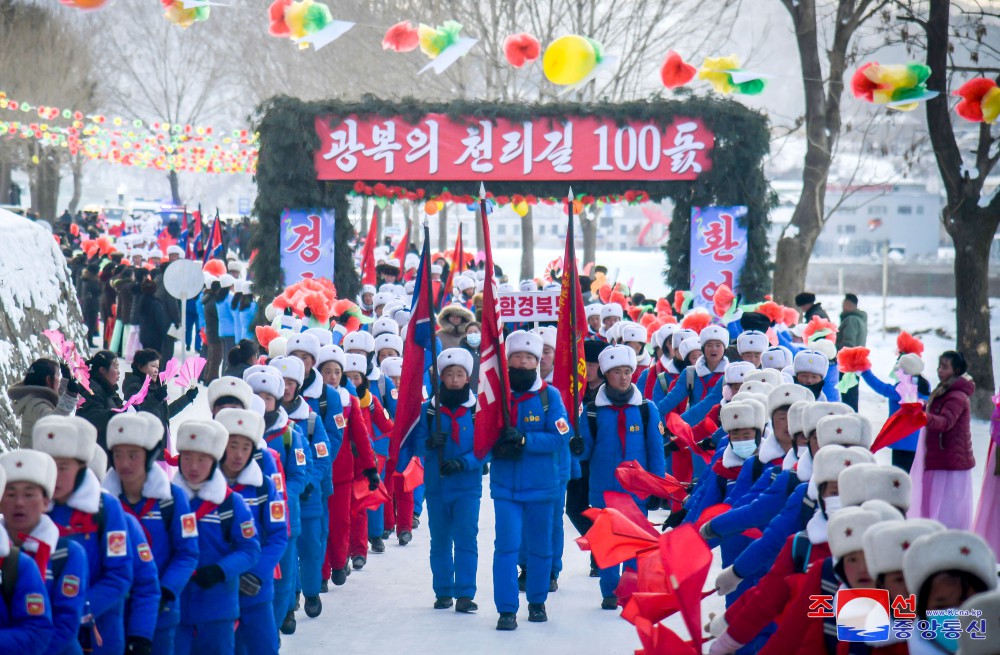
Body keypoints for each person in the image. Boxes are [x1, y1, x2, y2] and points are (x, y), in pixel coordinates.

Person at [490, 331, 569, 631]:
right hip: (506, 487)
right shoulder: (496, 395)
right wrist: (494, 446)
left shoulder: (550, 396)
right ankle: (506, 608)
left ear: (536, 362)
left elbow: (561, 435)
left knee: (539, 548)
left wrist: (526, 440)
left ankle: (537, 601)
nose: (522, 363)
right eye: (516, 358)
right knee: (507, 547)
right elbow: (481, 432)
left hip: (543, 486)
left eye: (528, 358)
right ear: (507, 360)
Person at [34, 415, 133, 655]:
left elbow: (119, 575)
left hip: (99, 633)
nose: (55, 475)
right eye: (49, 466)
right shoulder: (29, 508)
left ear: (81, 469)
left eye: (63, 467)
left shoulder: (105, 509)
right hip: (44, 632)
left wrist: (76, 609)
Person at [102, 412, 199, 655]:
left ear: (149, 456)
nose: (124, 463)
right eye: (118, 454)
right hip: (113, 613)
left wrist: (167, 589)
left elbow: (187, 553)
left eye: (133, 455)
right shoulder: (101, 503)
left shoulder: (172, 499)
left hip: (161, 611)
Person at [578, 344, 666, 609]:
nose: (624, 377)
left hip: (636, 490)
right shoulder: (593, 411)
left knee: (634, 543)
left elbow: (655, 450)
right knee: (608, 543)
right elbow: (585, 453)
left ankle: (630, 588)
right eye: (617, 372)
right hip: (604, 489)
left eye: (628, 371)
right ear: (606, 374)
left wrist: (657, 487)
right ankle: (609, 591)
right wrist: (575, 446)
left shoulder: (646, 409)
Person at [403, 348, 486, 612]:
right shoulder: (428, 410)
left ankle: (464, 592)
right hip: (437, 485)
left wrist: (466, 462)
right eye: (448, 374)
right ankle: (443, 590)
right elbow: (416, 444)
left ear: (467, 378)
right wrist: (429, 443)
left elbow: (486, 447)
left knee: (466, 538)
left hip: (467, 486)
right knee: (439, 540)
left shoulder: (477, 409)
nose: (453, 379)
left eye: (459, 374)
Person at [172, 419, 260, 654]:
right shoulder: (165, 503)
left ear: (214, 461)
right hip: (173, 608)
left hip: (218, 608)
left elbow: (250, 549)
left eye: (201, 459)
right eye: (187, 457)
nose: (193, 466)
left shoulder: (230, 503)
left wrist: (221, 570)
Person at [0, 449, 86, 655]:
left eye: (29, 494)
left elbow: (66, 621)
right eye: (10, 494)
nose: (19, 502)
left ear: (46, 502)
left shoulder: (66, 554)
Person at [215, 409, 287, 655]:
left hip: (256, 590)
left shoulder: (263, 487)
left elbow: (278, 536)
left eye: (245, 448)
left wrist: (256, 574)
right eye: (233, 445)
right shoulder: (203, 485)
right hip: (217, 592)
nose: (238, 454)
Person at [914, 351, 976, 530]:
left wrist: (924, 417)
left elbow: (945, 422)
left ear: (956, 370)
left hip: (951, 460)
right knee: (935, 503)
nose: (940, 370)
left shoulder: (957, 395)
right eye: (939, 366)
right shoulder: (943, 390)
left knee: (948, 509)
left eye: (945, 367)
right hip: (940, 456)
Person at [860, 352, 929, 472]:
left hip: (902, 438)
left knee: (899, 476)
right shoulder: (923, 387)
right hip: (916, 440)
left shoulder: (903, 390)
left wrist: (865, 372)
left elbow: (881, 387)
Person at [124, 349, 199, 442]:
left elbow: (165, 414)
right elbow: (139, 414)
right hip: (145, 443)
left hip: (159, 441)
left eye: (158, 367)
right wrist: (156, 398)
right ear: (141, 367)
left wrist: (187, 398)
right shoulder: (134, 388)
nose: (156, 371)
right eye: (153, 366)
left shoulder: (154, 386)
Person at [7, 359, 80, 448]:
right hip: (37, 460)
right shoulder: (36, 404)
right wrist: (69, 396)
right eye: (58, 375)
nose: (59, 379)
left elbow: (55, 405)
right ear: (48, 379)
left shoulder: (35, 398)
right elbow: (54, 423)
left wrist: (65, 382)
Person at [77, 350, 124, 451]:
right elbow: (92, 418)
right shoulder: (92, 391)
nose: (119, 372)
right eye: (115, 367)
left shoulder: (107, 389)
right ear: (102, 370)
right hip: (96, 450)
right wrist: (114, 413)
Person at [835, 293, 868, 410]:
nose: (843, 307)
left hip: (848, 364)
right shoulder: (860, 319)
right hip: (856, 363)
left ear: (850, 305)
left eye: (845, 304)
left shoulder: (851, 320)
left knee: (847, 397)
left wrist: (834, 348)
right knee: (852, 395)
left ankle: (849, 420)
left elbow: (849, 343)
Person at [78, 264, 102, 347]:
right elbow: (97, 292)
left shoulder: (85, 279)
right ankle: (89, 341)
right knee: (91, 324)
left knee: (88, 323)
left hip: (86, 304)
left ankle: (88, 341)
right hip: (92, 305)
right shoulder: (92, 281)